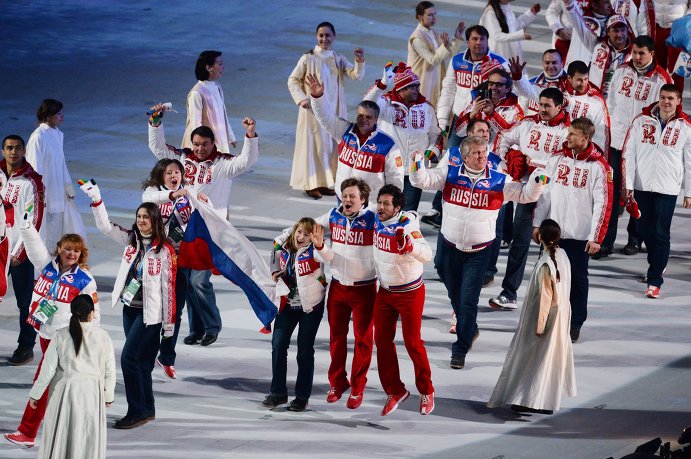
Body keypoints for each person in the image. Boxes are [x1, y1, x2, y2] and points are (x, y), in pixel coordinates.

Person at [410, 136, 547, 369]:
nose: (482, 156)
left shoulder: (497, 180)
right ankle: (469, 327)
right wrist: (417, 160)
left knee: (468, 300)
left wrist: (538, 180)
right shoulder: (449, 174)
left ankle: (460, 348)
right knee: (454, 291)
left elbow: (526, 195)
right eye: (476, 153)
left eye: (484, 152)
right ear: (464, 157)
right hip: (449, 247)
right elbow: (420, 180)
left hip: (479, 252)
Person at [149, 104, 259, 347]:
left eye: (204, 144)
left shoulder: (223, 164)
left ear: (213, 144)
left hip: (209, 232)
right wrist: (156, 123)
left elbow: (247, 161)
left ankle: (212, 326)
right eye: (196, 144)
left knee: (200, 281)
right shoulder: (181, 158)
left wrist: (250, 136)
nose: (199, 149)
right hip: (182, 231)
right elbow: (158, 148)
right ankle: (196, 329)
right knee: (188, 283)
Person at [82, 182, 176, 429]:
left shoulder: (164, 251)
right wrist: (96, 199)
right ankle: (147, 408)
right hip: (129, 308)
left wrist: (168, 328)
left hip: (150, 316)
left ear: (155, 221)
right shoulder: (131, 240)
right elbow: (105, 226)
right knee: (143, 361)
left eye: (146, 217)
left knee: (128, 359)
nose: (142, 220)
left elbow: (169, 290)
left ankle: (135, 411)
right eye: (139, 217)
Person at [4, 218, 97, 449]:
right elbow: (34, 246)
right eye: (67, 249)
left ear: (81, 254)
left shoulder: (85, 280)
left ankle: (27, 432)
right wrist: (25, 226)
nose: (71, 253)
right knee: (58, 386)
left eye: (76, 251)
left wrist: (87, 339)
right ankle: (76, 433)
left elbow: (93, 312)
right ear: (59, 249)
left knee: (43, 382)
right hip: (46, 334)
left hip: (64, 337)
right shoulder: (47, 266)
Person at [533, 117, 613, 343]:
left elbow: (603, 204)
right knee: (547, 277)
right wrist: (538, 223)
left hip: (579, 235)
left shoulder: (599, 167)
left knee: (577, 279)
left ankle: (575, 322)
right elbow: (544, 193)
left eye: (572, 135)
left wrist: (596, 237)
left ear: (585, 138)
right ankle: (546, 319)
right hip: (553, 233)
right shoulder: (557, 159)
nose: (566, 138)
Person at [489, 88, 570, 310]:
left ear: (559, 107)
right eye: (540, 104)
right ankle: (509, 293)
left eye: (547, 106)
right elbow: (504, 137)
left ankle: (552, 297)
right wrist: (506, 163)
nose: (542, 109)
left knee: (553, 247)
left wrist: (534, 166)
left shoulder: (567, 132)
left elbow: (567, 162)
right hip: (527, 194)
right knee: (520, 242)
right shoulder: (527, 124)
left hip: (554, 197)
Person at [487, 219, 576, 415]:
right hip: (561, 317)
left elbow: (544, 299)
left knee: (531, 359)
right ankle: (546, 402)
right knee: (549, 361)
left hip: (545, 320)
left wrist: (539, 327)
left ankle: (526, 399)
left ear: (540, 237)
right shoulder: (562, 255)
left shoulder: (546, 264)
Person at [602, 35, 672, 257]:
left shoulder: (661, 79)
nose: (637, 57)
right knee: (611, 194)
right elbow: (611, 102)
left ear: (652, 54)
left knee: (637, 195)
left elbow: (663, 113)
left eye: (642, 53)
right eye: (635, 52)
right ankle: (606, 241)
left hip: (641, 147)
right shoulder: (622, 70)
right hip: (616, 142)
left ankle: (635, 238)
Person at [312, 178, 377, 409]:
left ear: (363, 199)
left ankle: (358, 387)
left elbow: (401, 220)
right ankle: (337, 382)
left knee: (363, 341)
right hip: (338, 288)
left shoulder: (374, 218)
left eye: (352, 196)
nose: (347, 200)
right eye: (344, 196)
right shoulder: (333, 216)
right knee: (336, 339)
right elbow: (308, 225)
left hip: (365, 290)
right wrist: (283, 238)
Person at [371, 184, 434, 416]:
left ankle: (427, 390)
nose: (380, 207)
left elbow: (427, 254)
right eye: (379, 202)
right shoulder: (376, 219)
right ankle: (395, 390)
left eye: (386, 204)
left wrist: (410, 247)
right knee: (382, 342)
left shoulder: (408, 225)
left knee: (412, 343)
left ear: (397, 208)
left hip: (410, 293)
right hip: (385, 292)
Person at [622, 84, 690, 298]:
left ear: (679, 101)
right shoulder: (640, 121)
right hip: (641, 186)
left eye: (670, 98)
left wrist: (689, 191)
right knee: (643, 230)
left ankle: (654, 280)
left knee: (660, 232)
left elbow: (690, 161)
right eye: (662, 97)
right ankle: (658, 263)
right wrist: (628, 185)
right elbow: (628, 154)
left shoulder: (686, 126)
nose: (666, 102)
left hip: (667, 188)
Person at [26, 294, 115, 459]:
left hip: (64, 395)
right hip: (92, 396)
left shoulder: (60, 336)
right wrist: (108, 396)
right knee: (86, 439)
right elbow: (110, 372)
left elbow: (47, 370)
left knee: (62, 437)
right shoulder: (103, 337)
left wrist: (35, 394)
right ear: (92, 313)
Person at [142, 159, 208, 379]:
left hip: (179, 261)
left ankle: (167, 356)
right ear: (161, 175)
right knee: (153, 310)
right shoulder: (153, 192)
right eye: (169, 172)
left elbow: (202, 218)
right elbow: (148, 199)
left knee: (175, 311)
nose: (174, 176)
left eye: (177, 172)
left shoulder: (189, 193)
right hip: (155, 262)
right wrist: (173, 195)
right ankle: (147, 351)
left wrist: (204, 204)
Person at [288, 22, 365, 200]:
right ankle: (311, 184)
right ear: (316, 37)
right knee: (313, 145)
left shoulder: (338, 58)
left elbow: (356, 75)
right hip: (312, 111)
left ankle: (324, 182)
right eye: (321, 35)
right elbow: (293, 80)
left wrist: (359, 61)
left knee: (329, 146)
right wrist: (302, 98)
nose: (324, 39)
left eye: (328, 35)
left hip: (333, 109)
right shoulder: (308, 58)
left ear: (334, 37)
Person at [307, 73, 404, 201]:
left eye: (368, 117)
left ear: (376, 119)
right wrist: (318, 97)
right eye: (360, 115)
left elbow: (395, 178)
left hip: (369, 205)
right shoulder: (344, 131)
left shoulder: (388, 145)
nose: (363, 119)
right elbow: (325, 117)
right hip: (343, 199)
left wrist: (389, 204)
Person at [262, 218, 325, 412]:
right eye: (299, 232)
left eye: (306, 234)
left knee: (304, 351)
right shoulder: (285, 248)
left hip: (310, 307)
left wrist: (319, 243)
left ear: (312, 237)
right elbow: (275, 244)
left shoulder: (316, 251)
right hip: (287, 306)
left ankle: (302, 397)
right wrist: (274, 271)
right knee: (278, 346)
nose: (301, 237)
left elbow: (328, 256)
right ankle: (278, 393)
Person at [363, 62, 442, 211]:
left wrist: (434, 150)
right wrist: (383, 83)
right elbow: (367, 104)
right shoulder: (386, 104)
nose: (416, 90)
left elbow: (436, 134)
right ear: (401, 89)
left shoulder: (427, 107)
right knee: (383, 210)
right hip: (388, 168)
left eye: (417, 86)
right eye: (412, 87)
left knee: (408, 212)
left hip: (415, 169)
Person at [1, 134, 45, 366]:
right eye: (9, 148)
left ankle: (26, 346)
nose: (13, 152)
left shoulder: (31, 181)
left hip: (19, 251)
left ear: (24, 151)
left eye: (18, 148)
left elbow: (34, 219)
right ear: (3, 151)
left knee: (25, 302)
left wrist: (20, 253)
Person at [25, 99, 85, 252]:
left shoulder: (57, 134)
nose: (62, 116)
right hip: (44, 195)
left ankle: (53, 267)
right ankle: (41, 272)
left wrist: (68, 188)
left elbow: (61, 164)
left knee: (57, 233)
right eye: (58, 113)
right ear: (49, 115)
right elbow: (33, 166)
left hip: (58, 193)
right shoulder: (38, 136)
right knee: (43, 234)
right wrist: (38, 193)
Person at [437, 25, 510, 148]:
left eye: (482, 39)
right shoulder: (457, 60)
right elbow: (448, 90)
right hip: (460, 118)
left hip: (485, 121)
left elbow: (509, 90)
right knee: (452, 156)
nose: (479, 43)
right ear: (467, 42)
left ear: (488, 41)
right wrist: (442, 118)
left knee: (482, 158)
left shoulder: (499, 62)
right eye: (475, 39)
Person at [561, 4, 635, 97]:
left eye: (622, 30)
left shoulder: (634, 54)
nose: (620, 34)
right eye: (616, 31)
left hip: (618, 102)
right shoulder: (597, 45)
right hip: (594, 99)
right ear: (608, 32)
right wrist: (568, 4)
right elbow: (577, 22)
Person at [407, 1, 465, 108]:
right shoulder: (416, 38)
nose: (434, 18)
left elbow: (444, 56)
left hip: (435, 79)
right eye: (429, 15)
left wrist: (456, 38)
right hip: (422, 82)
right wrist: (444, 46)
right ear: (420, 17)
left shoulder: (432, 32)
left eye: (435, 14)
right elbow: (433, 60)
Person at [182, 50, 236, 154]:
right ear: (209, 68)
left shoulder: (217, 87)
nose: (222, 67)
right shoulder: (196, 93)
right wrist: (198, 149)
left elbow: (223, 115)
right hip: (204, 146)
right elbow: (196, 124)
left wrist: (230, 136)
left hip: (218, 138)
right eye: (219, 64)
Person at [454, 68, 524, 141]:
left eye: (499, 85)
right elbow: (458, 132)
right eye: (490, 83)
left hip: (501, 151)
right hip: (478, 149)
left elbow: (512, 137)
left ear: (507, 89)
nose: (493, 88)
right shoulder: (477, 101)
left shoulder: (515, 106)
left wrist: (492, 114)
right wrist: (471, 115)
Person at [562, 60, 611, 153]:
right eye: (579, 80)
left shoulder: (596, 101)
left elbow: (602, 135)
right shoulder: (559, 90)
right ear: (569, 78)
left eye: (586, 79)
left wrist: (599, 156)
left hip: (580, 152)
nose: (584, 83)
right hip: (557, 150)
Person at [509, 49, 568, 116]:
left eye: (554, 63)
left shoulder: (571, 86)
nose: (551, 66)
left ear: (562, 63)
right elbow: (522, 110)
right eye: (547, 63)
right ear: (542, 63)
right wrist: (517, 77)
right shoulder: (531, 83)